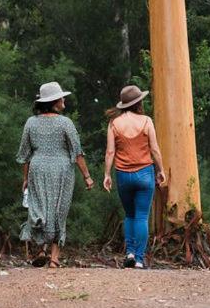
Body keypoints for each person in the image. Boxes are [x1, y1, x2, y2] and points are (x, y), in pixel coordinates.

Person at [16, 81, 94, 268]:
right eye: (61, 98)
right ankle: (54, 258)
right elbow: (77, 152)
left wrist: (25, 179)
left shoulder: (31, 122)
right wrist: (87, 176)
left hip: (38, 168)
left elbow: (25, 155)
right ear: (54, 101)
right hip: (61, 170)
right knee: (59, 209)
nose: (64, 100)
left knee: (40, 209)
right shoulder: (65, 123)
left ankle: (41, 250)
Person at [102, 84, 166, 269]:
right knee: (141, 217)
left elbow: (110, 152)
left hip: (123, 175)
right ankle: (138, 259)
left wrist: (107, 174)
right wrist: (160, 170)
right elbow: (154, 149)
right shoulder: (146, 121)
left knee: (129, 215)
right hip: (145, 174)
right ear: (138, 102)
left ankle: (129, 252)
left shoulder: (114, 123)